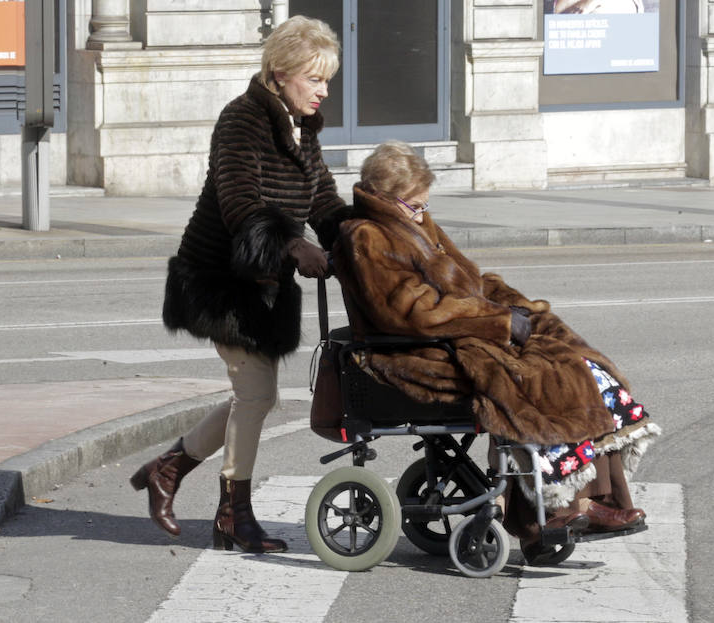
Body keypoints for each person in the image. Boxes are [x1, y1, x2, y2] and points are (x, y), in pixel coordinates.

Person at [330, 141, 660, 564]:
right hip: (416, 351)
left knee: (579, 363)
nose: (422, 212)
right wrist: (496, 322)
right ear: (387, 198)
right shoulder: (367, 236)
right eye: (414, 205)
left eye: (423, 204)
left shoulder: (412, 220)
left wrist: (514, 306)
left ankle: (597, 497)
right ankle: (563, 508)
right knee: (537, 381)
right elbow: (412, 312)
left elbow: (466, 282)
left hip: (455, 335)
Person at [130, 16, 350, 554]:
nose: (324, 91)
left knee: (256, 395)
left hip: (264, 287)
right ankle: (233, 514)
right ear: (281, 72)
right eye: (314, 79)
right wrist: (295, 246)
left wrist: (359, 239)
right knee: (255, 396)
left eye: (327, 80)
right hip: (221, 282)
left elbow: (321, 198)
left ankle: (169, 468)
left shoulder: (303, 128)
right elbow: (239, 204)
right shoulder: (242, 119)